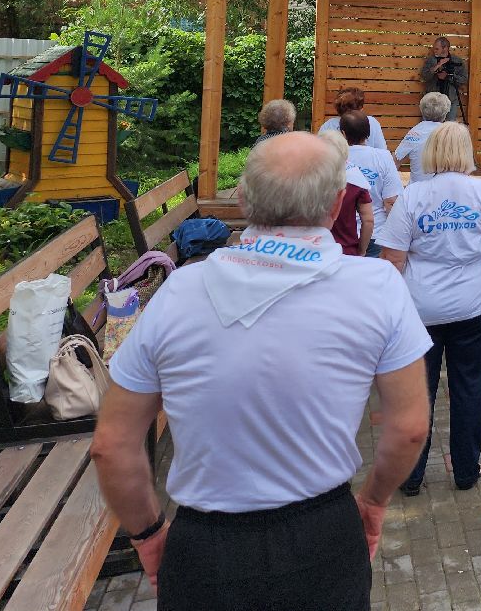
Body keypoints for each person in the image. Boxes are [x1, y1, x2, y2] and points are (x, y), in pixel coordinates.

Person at [91, 133, 431, 611]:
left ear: (245, 199)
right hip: (324, 532)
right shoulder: (377, 286)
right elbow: (411, 428)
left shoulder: (181, 291)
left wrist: (147, 534)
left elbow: (111, 445)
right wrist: (373, 502)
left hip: (204, 545)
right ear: (338, 205)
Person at [380, 123, 481, 497]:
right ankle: (466, 470)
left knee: (417, 392)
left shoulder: (414, 195)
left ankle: (411, 475)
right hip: (473, 307)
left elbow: (393, 259)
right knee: (470, 389)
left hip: (419, 310)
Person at [342, 111, 402, 256]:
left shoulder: (334, 157)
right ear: (368, 132)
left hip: (342, 234)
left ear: (343, 134)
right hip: (377, 233)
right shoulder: (383, 157)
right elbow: (391, 202)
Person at [320, 129, 375, 257]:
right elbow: (368, 220)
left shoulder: (307, 180)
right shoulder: (356, 179)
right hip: (346, 251)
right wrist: (361, 250)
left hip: (315, 250)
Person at [394, 92, 454, 184]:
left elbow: (395, 161)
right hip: (444, 191)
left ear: (422, 109)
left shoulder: (415, 132)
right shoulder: (451, 134)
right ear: (445, 113)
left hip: (417, 190)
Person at [319, 86, 388, 151]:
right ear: (360, 108)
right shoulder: (372, 122)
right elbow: (382, 149)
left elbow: (320, 151)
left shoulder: (328, 125)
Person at [419, 36, 468, 122]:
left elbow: (464, 79)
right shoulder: (431, 60)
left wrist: (448, 77)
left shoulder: (457, 61)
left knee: (448, 129)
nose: (434, 51)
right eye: (434, 49)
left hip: (450, 101)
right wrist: (436, 67)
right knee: (429, 128)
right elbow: (424, 76)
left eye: (437, 49)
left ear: (445, 48)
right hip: (432, 102)